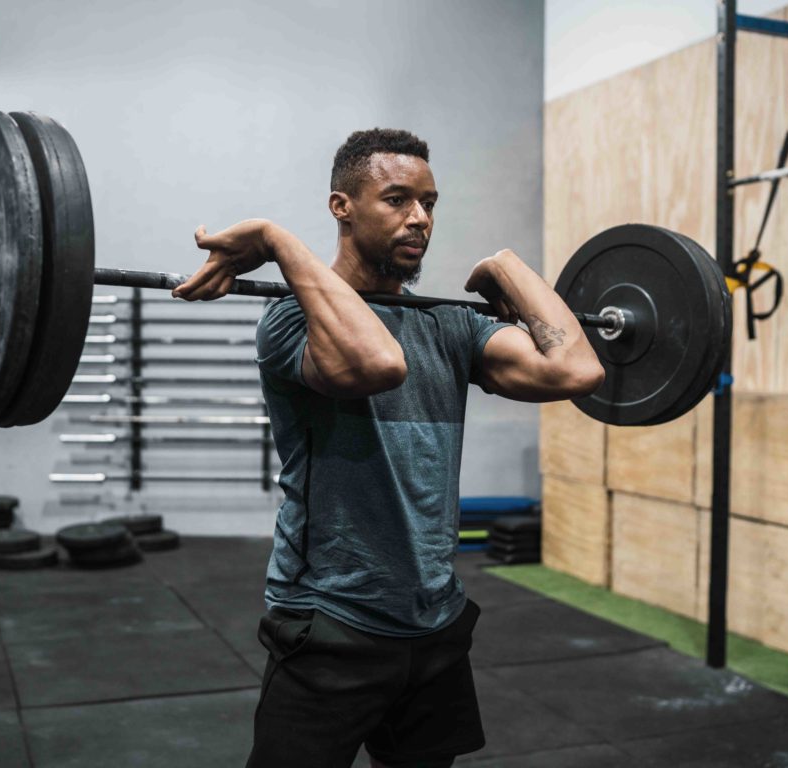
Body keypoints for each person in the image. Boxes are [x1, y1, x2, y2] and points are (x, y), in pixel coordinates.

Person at [174, 129, 604, 768]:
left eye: (429, 203)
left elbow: (576, 372)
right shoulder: (293, 321)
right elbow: (378, 363)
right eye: (398, 199)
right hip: (330, 622)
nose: (420, 219)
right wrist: (274, 238)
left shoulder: (450, 323)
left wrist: (506, 267)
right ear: (340, 206)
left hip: (434, 623)